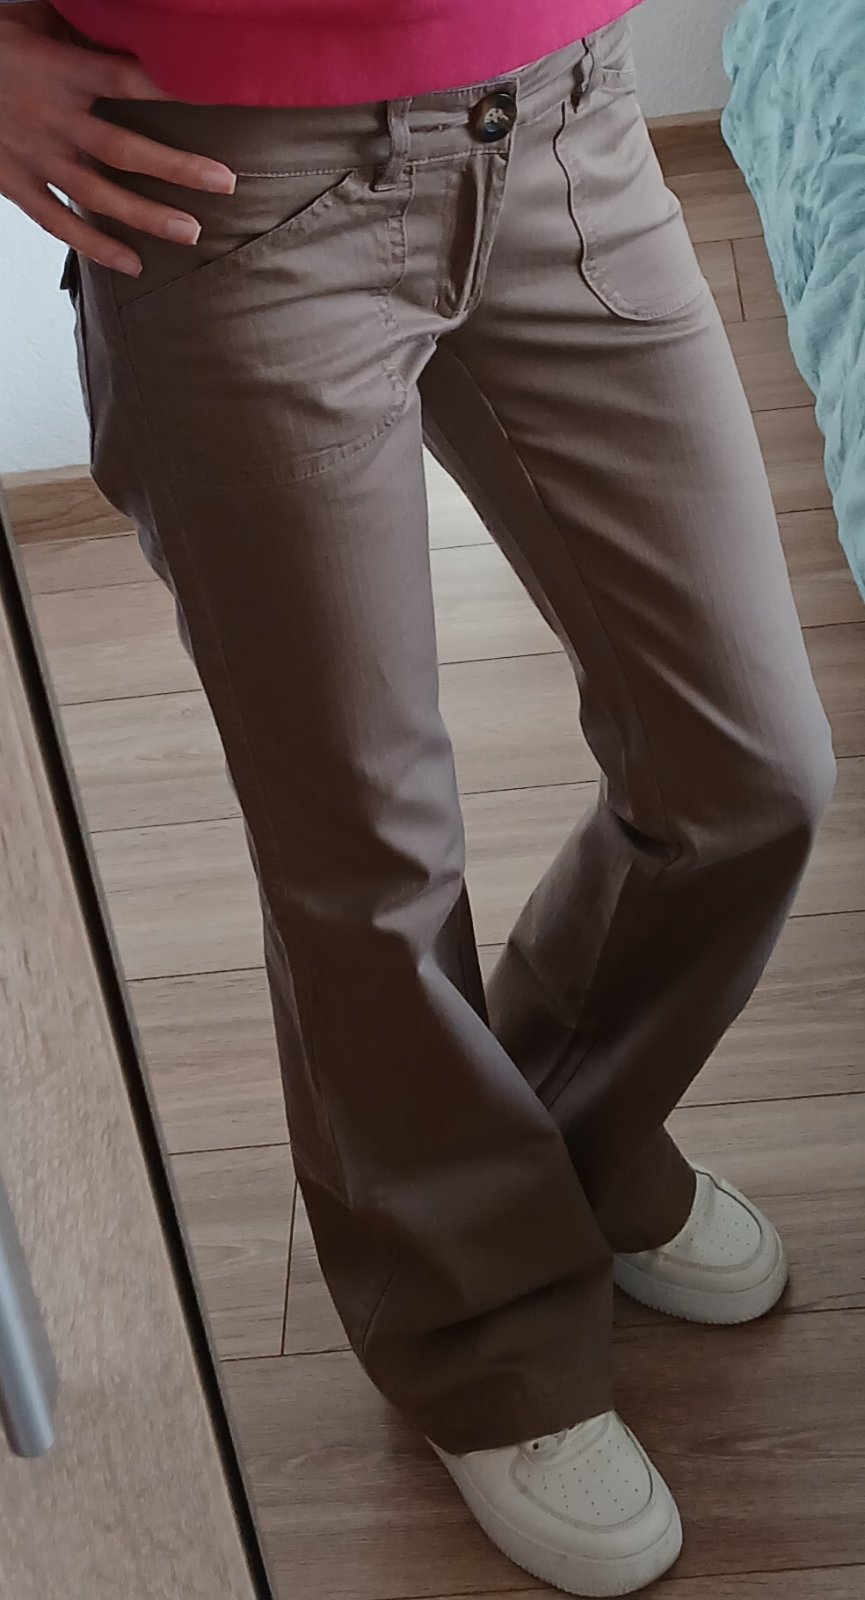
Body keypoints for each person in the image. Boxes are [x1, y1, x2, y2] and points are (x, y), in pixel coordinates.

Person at [0, 3, 836, 1594]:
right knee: (366, 853)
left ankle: (562, 1142)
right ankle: (476, 1323)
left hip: (566, 114)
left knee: (749, 766)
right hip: (226, 178)